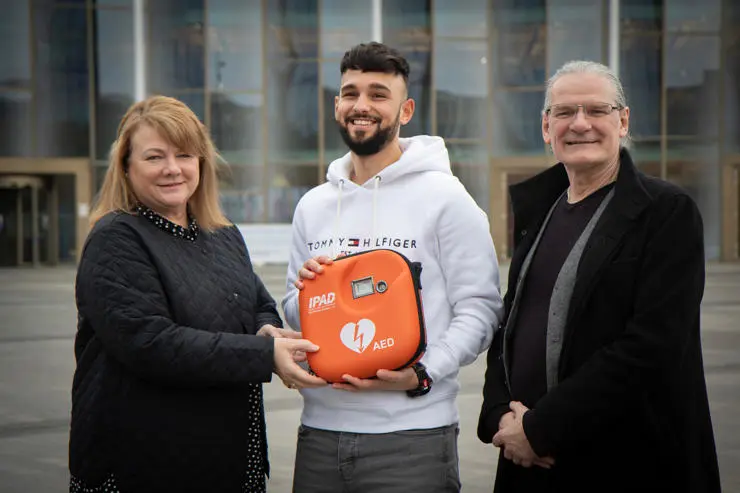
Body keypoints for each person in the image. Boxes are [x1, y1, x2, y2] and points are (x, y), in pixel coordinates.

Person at [477, 60, 721, 493]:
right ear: (546, 127)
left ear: (623, 121)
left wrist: (539, 428)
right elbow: (509, 329)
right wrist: (500, 415)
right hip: (527, 463)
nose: (580, 124)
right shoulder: (540, 213)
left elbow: (651, 346)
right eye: (565, 112)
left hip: (625, 462)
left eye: (596, 110)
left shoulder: (665, 212)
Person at [276, 42, 504, 493]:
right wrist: (304, 294)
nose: (362, 105)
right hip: (319, 435)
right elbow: (293, 310)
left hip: (413, 440)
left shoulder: (447, 200)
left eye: (379, 94)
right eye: (351, 93)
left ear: (405, 110)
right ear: (336, 105)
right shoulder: (314, 206)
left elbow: (480, 311)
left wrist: (421, 374)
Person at [69, 95, 326, 493]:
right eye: (155, 157)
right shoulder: (117, 238)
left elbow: (258, 304)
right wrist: (264, 356)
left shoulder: (222, 234)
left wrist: (267, 332)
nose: (173, 169)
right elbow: (150, 343)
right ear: (125, 166)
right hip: (143, 462)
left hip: (226, 454)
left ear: (201, 163)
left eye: (185, 155)